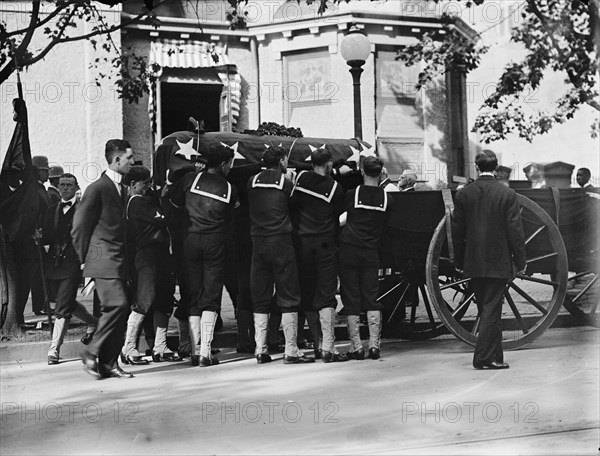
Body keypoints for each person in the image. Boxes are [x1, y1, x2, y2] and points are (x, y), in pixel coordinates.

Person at [452, 149, 526, 370]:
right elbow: (515, 231)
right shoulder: (507, 194)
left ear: (477, 167)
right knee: (492, 309)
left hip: (474, 260)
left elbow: (457, 230)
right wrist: (520, 261)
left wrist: (458, 259)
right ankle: (483, 358)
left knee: (487, 309)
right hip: (498, 261)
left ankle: (495, 356)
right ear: (495, 168)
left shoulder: (465, 193)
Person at [168, 144, 237, 367]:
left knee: (193, 296)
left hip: (189, 242)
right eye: (231, 163)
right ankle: (206, 351)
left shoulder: (190, 180)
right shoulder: (229, 189)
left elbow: (174, 204)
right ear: (225, 164)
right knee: (211, 297)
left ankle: (196, 351)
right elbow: (229, 218)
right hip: (214, 243)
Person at [72, 139, 135, 379]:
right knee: (117, 305)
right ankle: (91, 352)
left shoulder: (122, 187)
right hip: (103, 261)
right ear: (116, 160)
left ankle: (108, 364)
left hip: (119, 262)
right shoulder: (97, 188)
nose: (132, 162)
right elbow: (79, 227)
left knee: (121, 309)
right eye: (128, 158)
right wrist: (83, 263)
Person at [248, 146, 314, 364]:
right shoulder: (285, 183)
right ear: (282, 161)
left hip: (258, 243)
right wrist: (292, 181)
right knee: (289, 296)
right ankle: (291, 349)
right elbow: (295, 207)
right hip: (281, 242)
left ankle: (261, 349)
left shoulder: (252, 181)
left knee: (260, 296)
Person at [291, 147, 349, 363]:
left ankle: (315, 342)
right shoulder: (335, 188)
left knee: (307, 293)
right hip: (325, 245)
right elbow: (338, 212)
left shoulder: (301, 179)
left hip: (302, 245)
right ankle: (327, 348)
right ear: (329, 164)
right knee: (326, 295)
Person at [120, 166, 179, 364]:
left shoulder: (145, 200)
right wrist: (164, 200)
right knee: (144, 301)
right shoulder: (136, 203)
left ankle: (160, 345)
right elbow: (164, 220)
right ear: (132, 185)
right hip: (148, 258)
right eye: (145, 183)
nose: (148, 187)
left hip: (160, 256)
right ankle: (128, 347)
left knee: (164, 300)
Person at [338, 156, 394, 360]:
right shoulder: (388, 199)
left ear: (362, 171)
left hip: (349, 250)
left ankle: (356, 347)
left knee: (351, 297)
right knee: (371, 297)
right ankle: (374, 346)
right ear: (381, 173)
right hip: (371, 251)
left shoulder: (352, 195)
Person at [39, 173, 97, 365]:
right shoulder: (51, 210)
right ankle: (92, 322)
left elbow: (89, 235)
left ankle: (53, 349)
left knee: (62, 307)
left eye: (69, 185)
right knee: (65, 302)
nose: (64, 188)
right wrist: (38, 236)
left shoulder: (83, 209)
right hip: (54, 263)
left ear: (76, 187)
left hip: (74, 262)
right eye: (62, 185)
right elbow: (47, 236)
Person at [14, 155, 52, 323]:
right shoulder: (30, 190)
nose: (48, 174)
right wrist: (33, 232)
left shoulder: (41, 188)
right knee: (25, 280)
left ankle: (40, 304)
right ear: (38, 171)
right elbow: (28, 215)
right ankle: (17, 316)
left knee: (39, 276)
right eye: (45, 170)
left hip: (40, 240)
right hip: (29, 242)